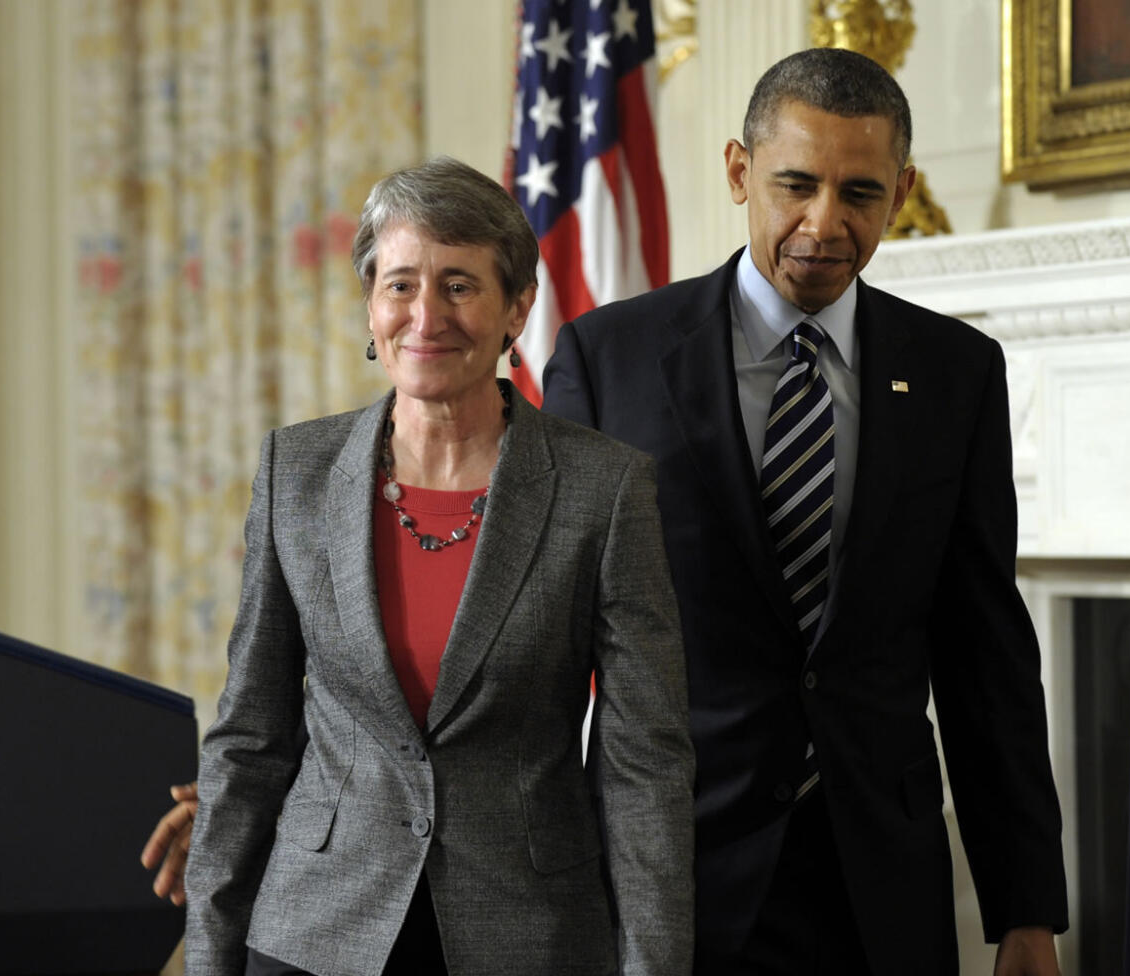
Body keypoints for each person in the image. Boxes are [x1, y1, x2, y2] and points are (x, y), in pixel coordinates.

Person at [542, 48, 1067, 976]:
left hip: (882, 888)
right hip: (671, 884)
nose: (825, 224)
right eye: (796, 184)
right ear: (742, 171)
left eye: (860, 193)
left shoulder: (958, 374)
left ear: (900, 191)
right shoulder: (607, 361)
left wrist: (1026, 909)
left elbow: (986, 652)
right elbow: (548, 650)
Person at [182, 157, 694, 976]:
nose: (427, 316)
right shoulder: (296, 473)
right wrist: (210, 955)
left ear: (516, 308)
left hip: (530, 936)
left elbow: (645, 767)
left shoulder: (605, 488)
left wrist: (654, 965)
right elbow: (250, 737)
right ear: (371, 306)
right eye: (400, 285)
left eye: (460, 285)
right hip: (316, 929)